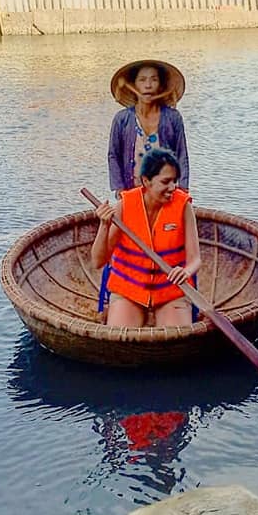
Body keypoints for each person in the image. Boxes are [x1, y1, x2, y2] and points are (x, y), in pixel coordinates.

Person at [91, 147, 201, 327]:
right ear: (146, 181)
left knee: (174, 338)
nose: (172, 188)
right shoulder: (125, 205)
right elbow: (97, 261)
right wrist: (104, 226)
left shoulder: (183, 206)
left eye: (174, 181)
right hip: (129, 289)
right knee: (122, 337)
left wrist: (186, 272)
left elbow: (195, 259)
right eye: (165, 182)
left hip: (171, 291)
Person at [107, 60, 189, 195]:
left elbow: (181, 154)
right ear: (134, 84)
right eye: (142, 80)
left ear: (161, 86)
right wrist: (120, 189)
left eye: (154, 80)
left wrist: (183, 187)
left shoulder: (173, 117)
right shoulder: (122, 119)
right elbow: (113, 155)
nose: (148, 85)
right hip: (132, 190)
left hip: (165, 192)